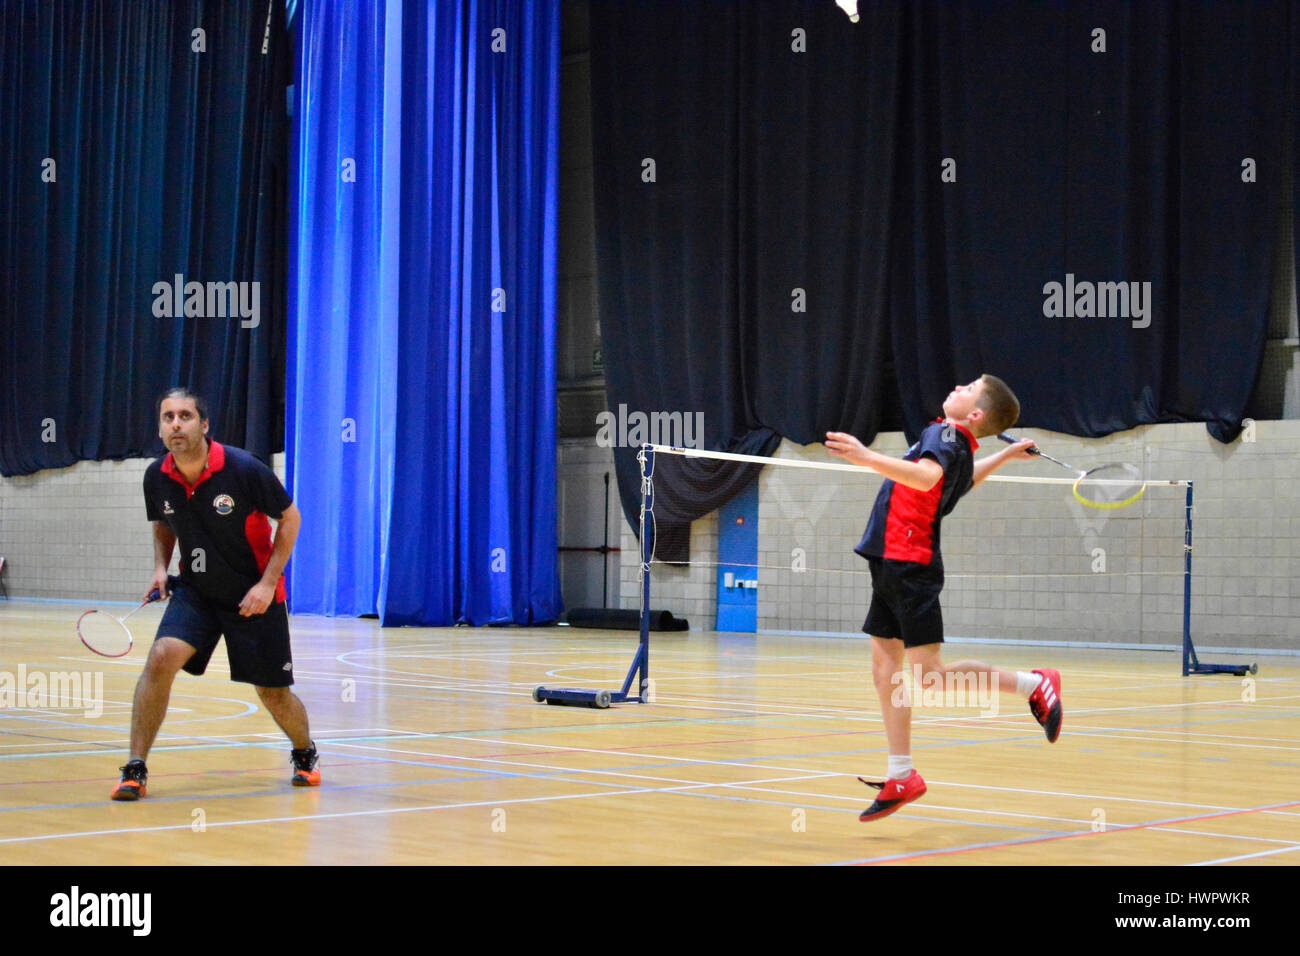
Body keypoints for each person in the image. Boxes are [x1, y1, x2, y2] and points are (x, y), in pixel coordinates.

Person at [825, 374, 1062, 822]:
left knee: (930, 678)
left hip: (908, 564)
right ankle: (902, 774)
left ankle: (1035, 683)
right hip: (890, 562)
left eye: (969, 388)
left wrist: (867, 456)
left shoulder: (943, 434)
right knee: (884, 669)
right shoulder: (959, 442)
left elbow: (927, 477)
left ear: (974, 414)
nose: (956, 386)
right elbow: (960, 483)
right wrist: (1009, 452)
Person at [111, 388, 319, 799]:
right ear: (160, 428)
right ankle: (135, 768)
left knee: (273, 694)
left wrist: (267, 583)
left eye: (185, 416)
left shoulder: (244, 469)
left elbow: (290, 518)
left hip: (253, 597)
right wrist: (160, 568)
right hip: (198, 592)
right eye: (168, 417)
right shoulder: (156, 476)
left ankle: (304, 751)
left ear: (204, 425)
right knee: (160, 658)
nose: (176, 424)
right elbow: (164, 523)